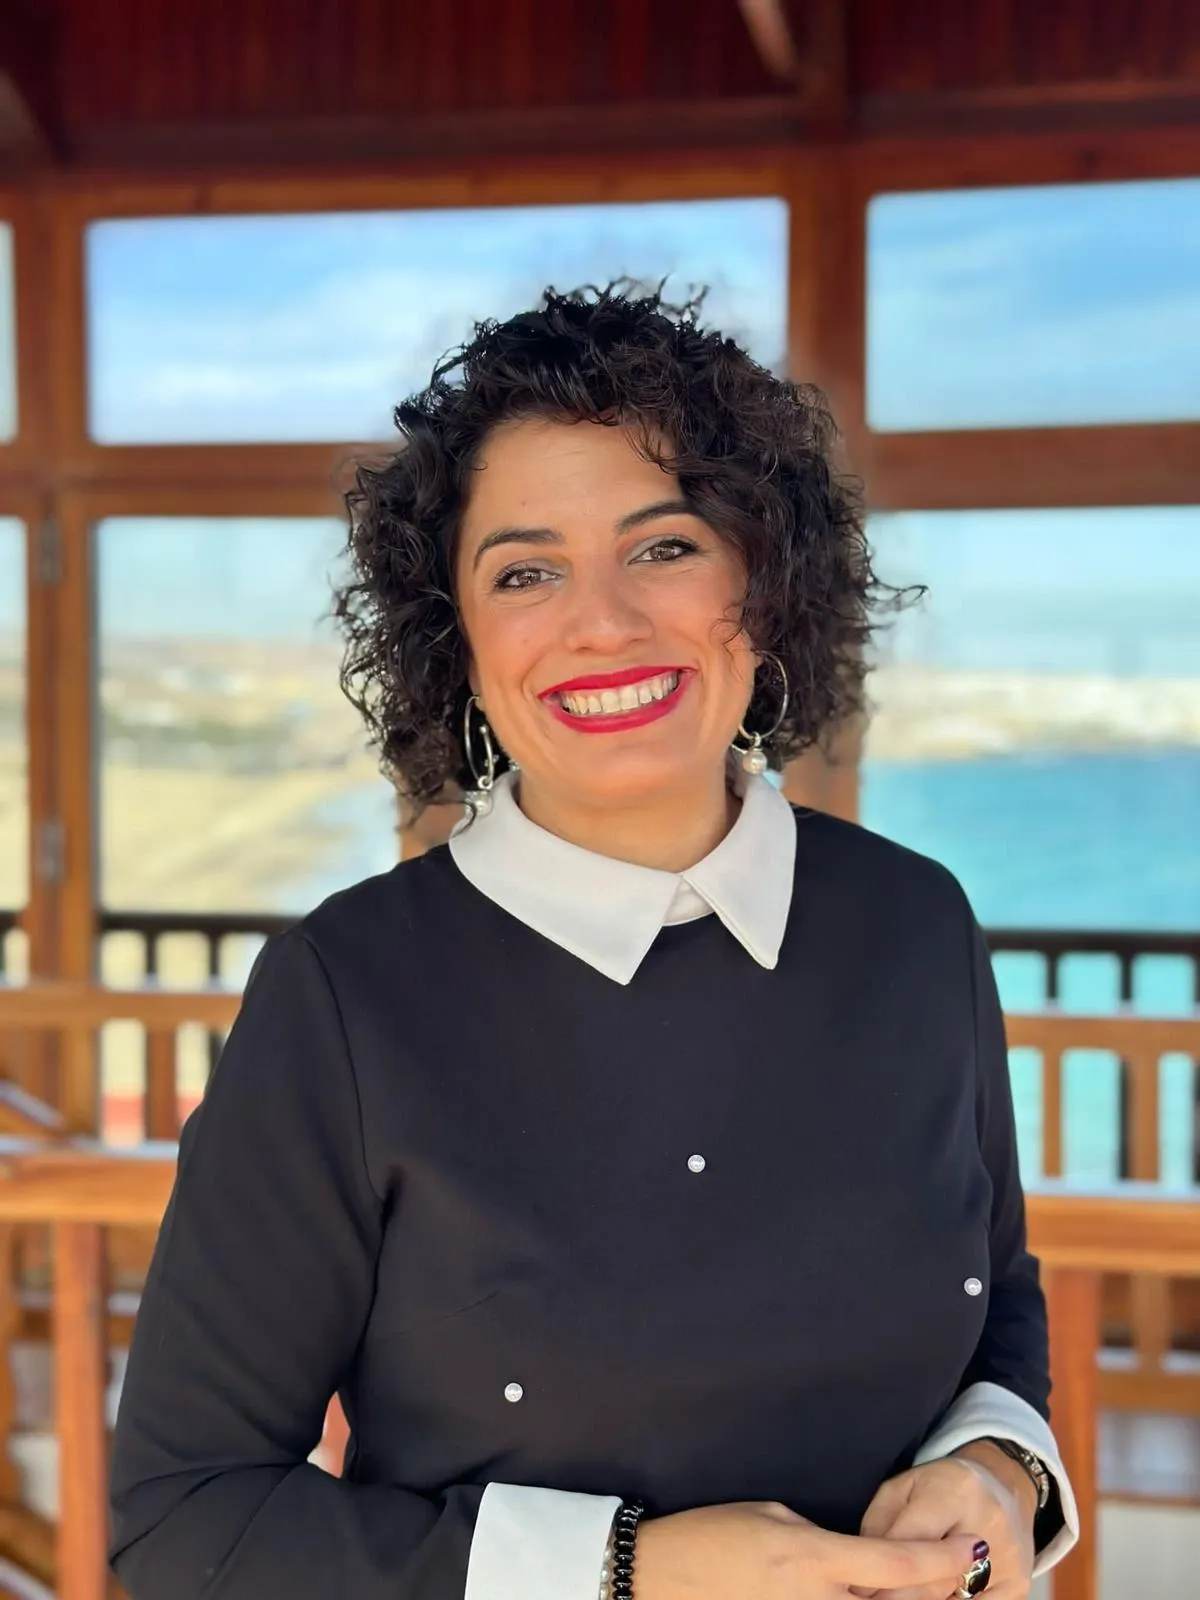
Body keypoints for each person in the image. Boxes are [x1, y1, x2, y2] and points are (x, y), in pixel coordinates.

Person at [109, 284, 1078, 1600]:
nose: (603, 621)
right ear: (456, 641)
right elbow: (186, 1521)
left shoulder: (915, 924)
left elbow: (996, 1293)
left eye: (665, 546)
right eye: (525, 571)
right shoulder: (346, 994)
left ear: (767, 581)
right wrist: (628, 1570)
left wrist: (1000, 1468)